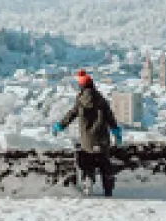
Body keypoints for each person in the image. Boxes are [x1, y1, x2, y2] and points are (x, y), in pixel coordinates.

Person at [52, 69, 123, 197]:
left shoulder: (80, 101)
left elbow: (71, 114)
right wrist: (116, 132)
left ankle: (88, 180)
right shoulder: (101, 100)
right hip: (102, 138)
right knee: (105, 164)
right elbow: (110, 117)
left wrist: (60, 126)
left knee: (88, 162)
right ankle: (108, 189)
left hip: (87, 139)